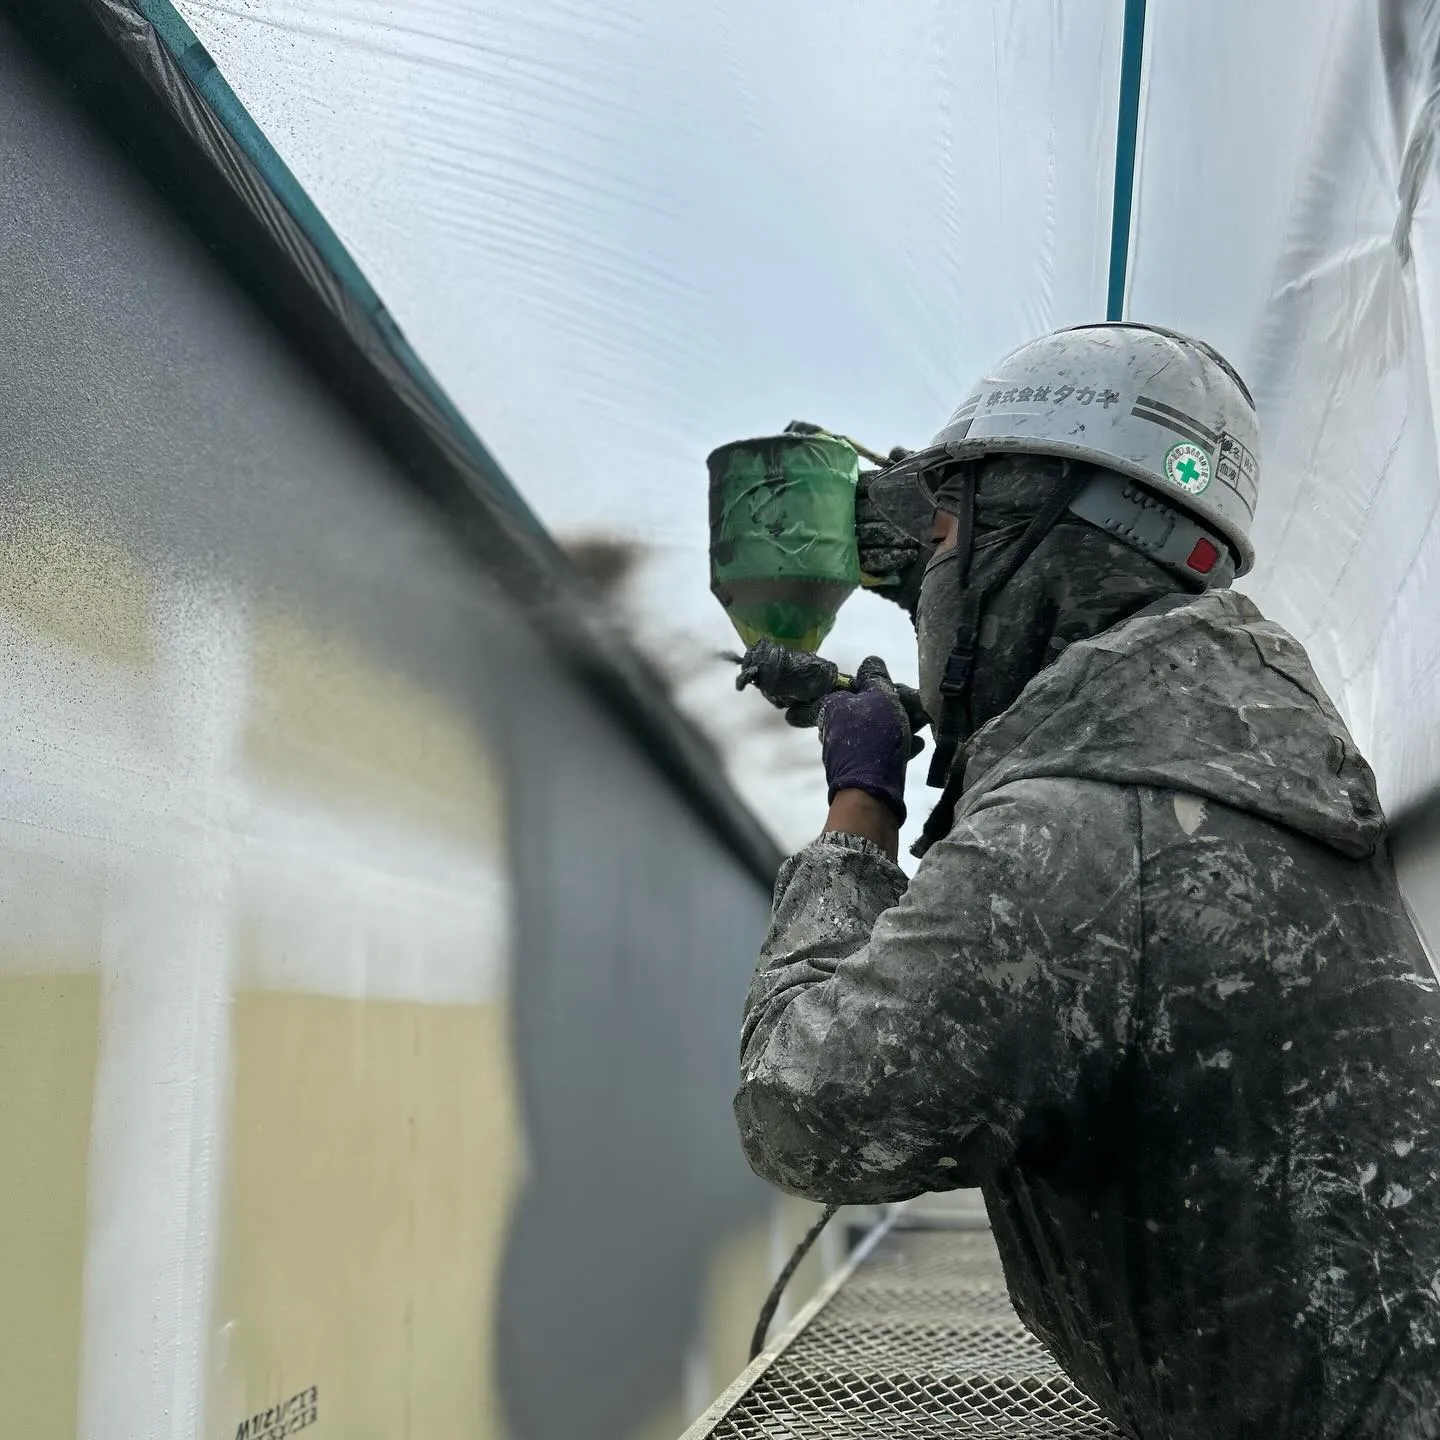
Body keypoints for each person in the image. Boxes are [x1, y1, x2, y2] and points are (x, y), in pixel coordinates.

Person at [734, 323, 1440, 1439]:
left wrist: (859, 807)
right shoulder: (1245, 756)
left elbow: (804, 1112)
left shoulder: (1077, 837)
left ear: (1043, 544)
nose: (929, 587)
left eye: (948, 537)